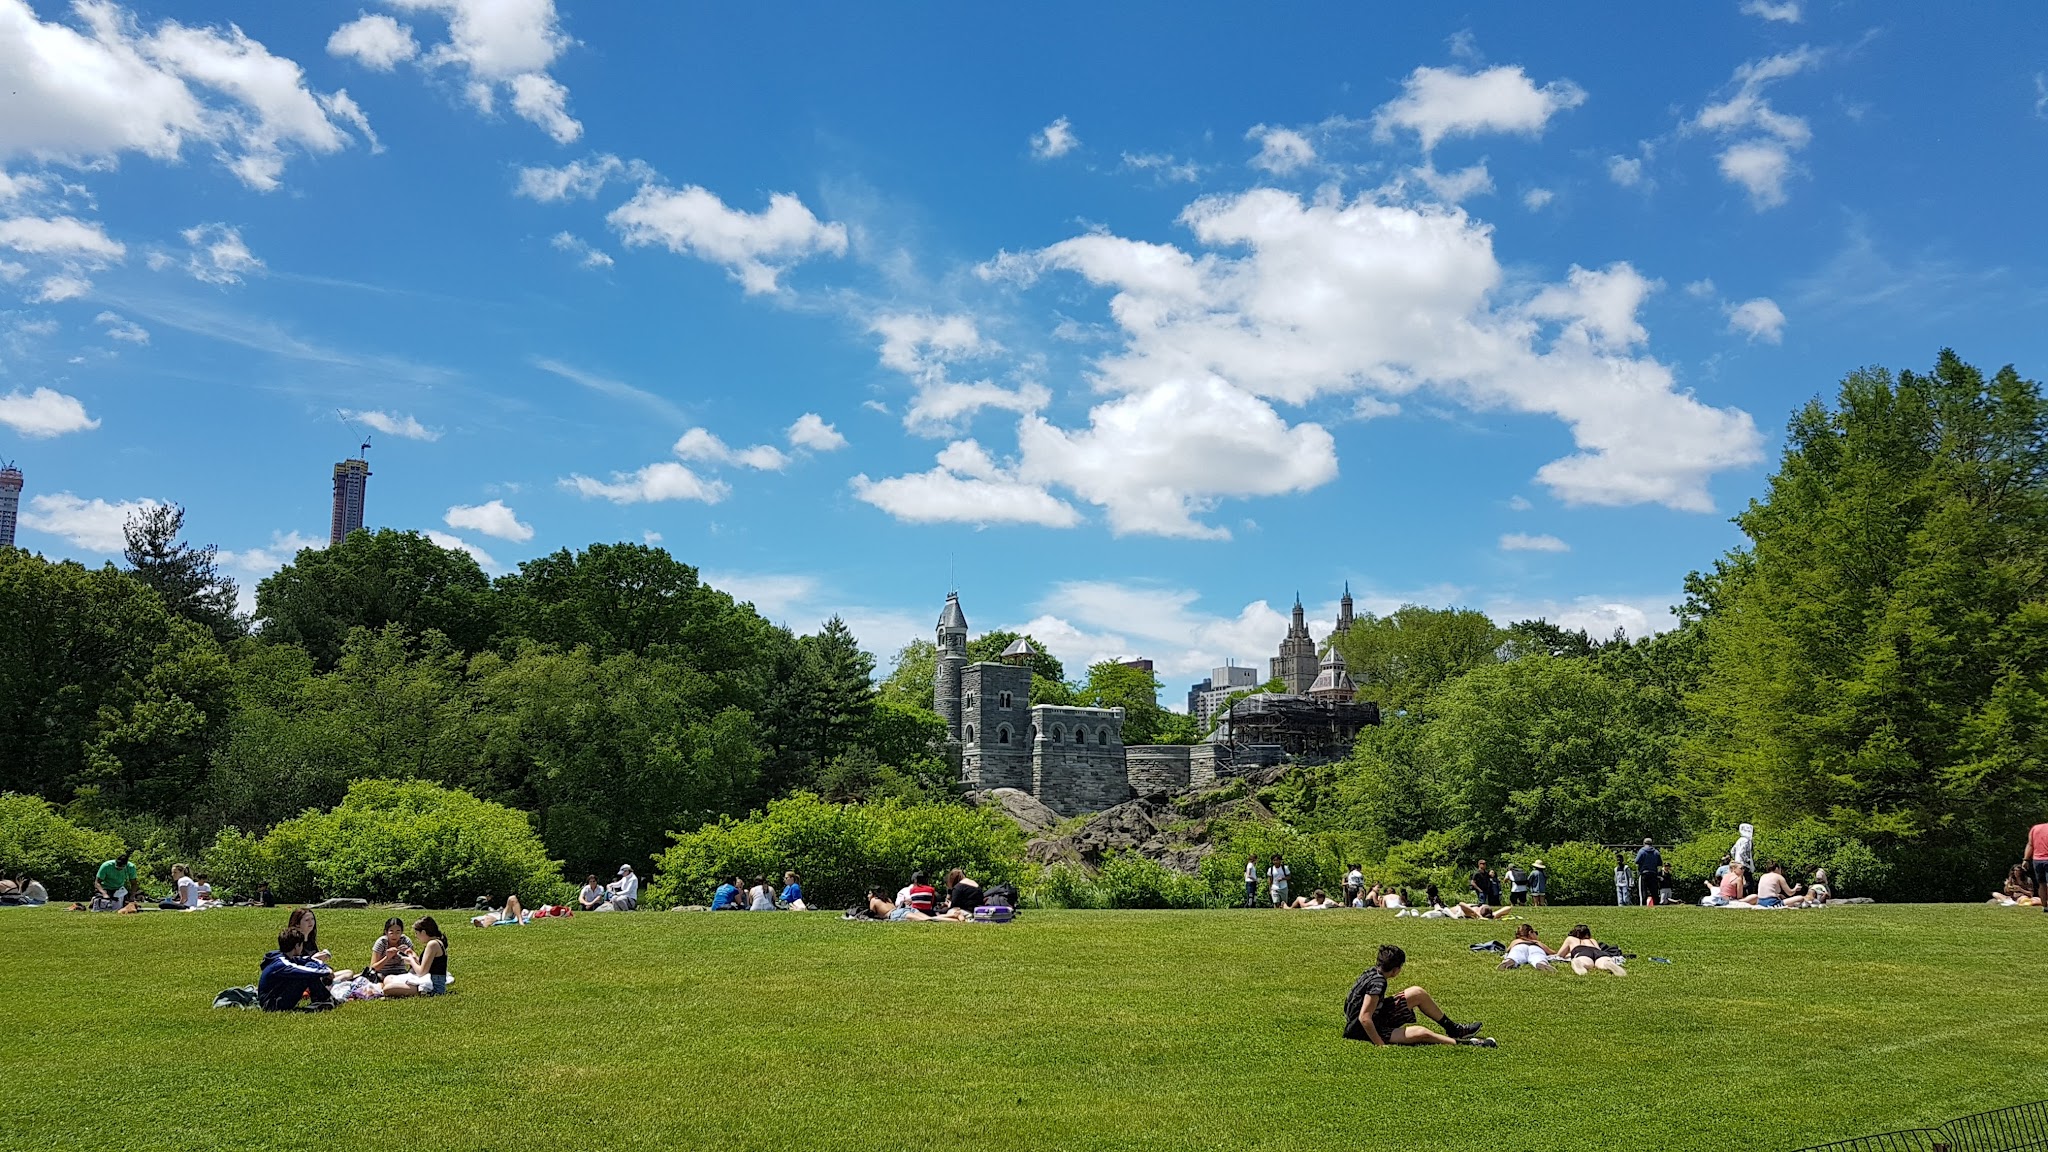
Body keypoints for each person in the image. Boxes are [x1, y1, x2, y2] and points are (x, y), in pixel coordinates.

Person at [1342, 944, 1495, 1047]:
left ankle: (1454, 1029)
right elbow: (1364, 1017)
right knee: (1422, 1033)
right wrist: (1380, 1044)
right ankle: (1469, 1043)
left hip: (1375, 1017)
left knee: (1417, 993)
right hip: (1362, 1030)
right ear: (1395, 969)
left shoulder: (1372, 972)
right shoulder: (1378, 983)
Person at [259, 926, 335, 1011]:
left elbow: (309, 960)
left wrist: (325, 968)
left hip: (276, 998)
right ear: (296, 946)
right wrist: (326, 971)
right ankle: (323, 999)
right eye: (301, 944)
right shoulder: (281, 964)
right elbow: (306, 971)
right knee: (306, 975)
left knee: (310, 966)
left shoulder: (284, 957)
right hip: (272, 1005)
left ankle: (323, 999)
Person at [382, 917, 449, 998]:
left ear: (423, 932)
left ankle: (423, 992)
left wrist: (411, 961)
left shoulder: (432, 945)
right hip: (428, 980)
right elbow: (426, 965)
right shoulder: (436, 943)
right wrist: (413, 955)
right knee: (388, 979)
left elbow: (421, 972)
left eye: (416, 933)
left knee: (387, 989)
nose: (416, 936)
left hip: (433, 986)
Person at [1558, 924, 1626, 976]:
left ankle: (1579, 963)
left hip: (1581, 951)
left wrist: (1569, 954)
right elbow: (1598, 949)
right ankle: (1607, 963)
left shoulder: (1570, 939)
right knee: (1602, 962)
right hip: (1598, 952)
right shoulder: (1592, 940)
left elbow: (1560, 955)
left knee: (1585, 961)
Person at [2027, 818, 2048, 916]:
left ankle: (2045, 907)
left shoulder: (2035, 828)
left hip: (2037, 860)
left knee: (2042, 884)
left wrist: (2025, 859)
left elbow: (2030, 845)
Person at [1634, 839, 1663, 906]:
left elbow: (1636, 861)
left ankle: (1643, 905)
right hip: (1653, 873)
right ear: (1652, 844)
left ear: (1644, 843)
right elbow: (1660, 863)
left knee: (1643, 891)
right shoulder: (1656, 852)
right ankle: (1656, 904)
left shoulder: (1642, 851)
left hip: (1644, 873)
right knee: (1654, 891)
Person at [1732, 823, 1757, 894]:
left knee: (1741, 881)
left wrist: (1736, 860)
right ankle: (1749, 896)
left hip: (1737, 864)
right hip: (1744, 865)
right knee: (1750, 883)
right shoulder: (1747, 840)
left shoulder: (1739, 840)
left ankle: (1741, 894)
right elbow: (1742, 852)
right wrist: (1747, 860)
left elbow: (1732, 851)